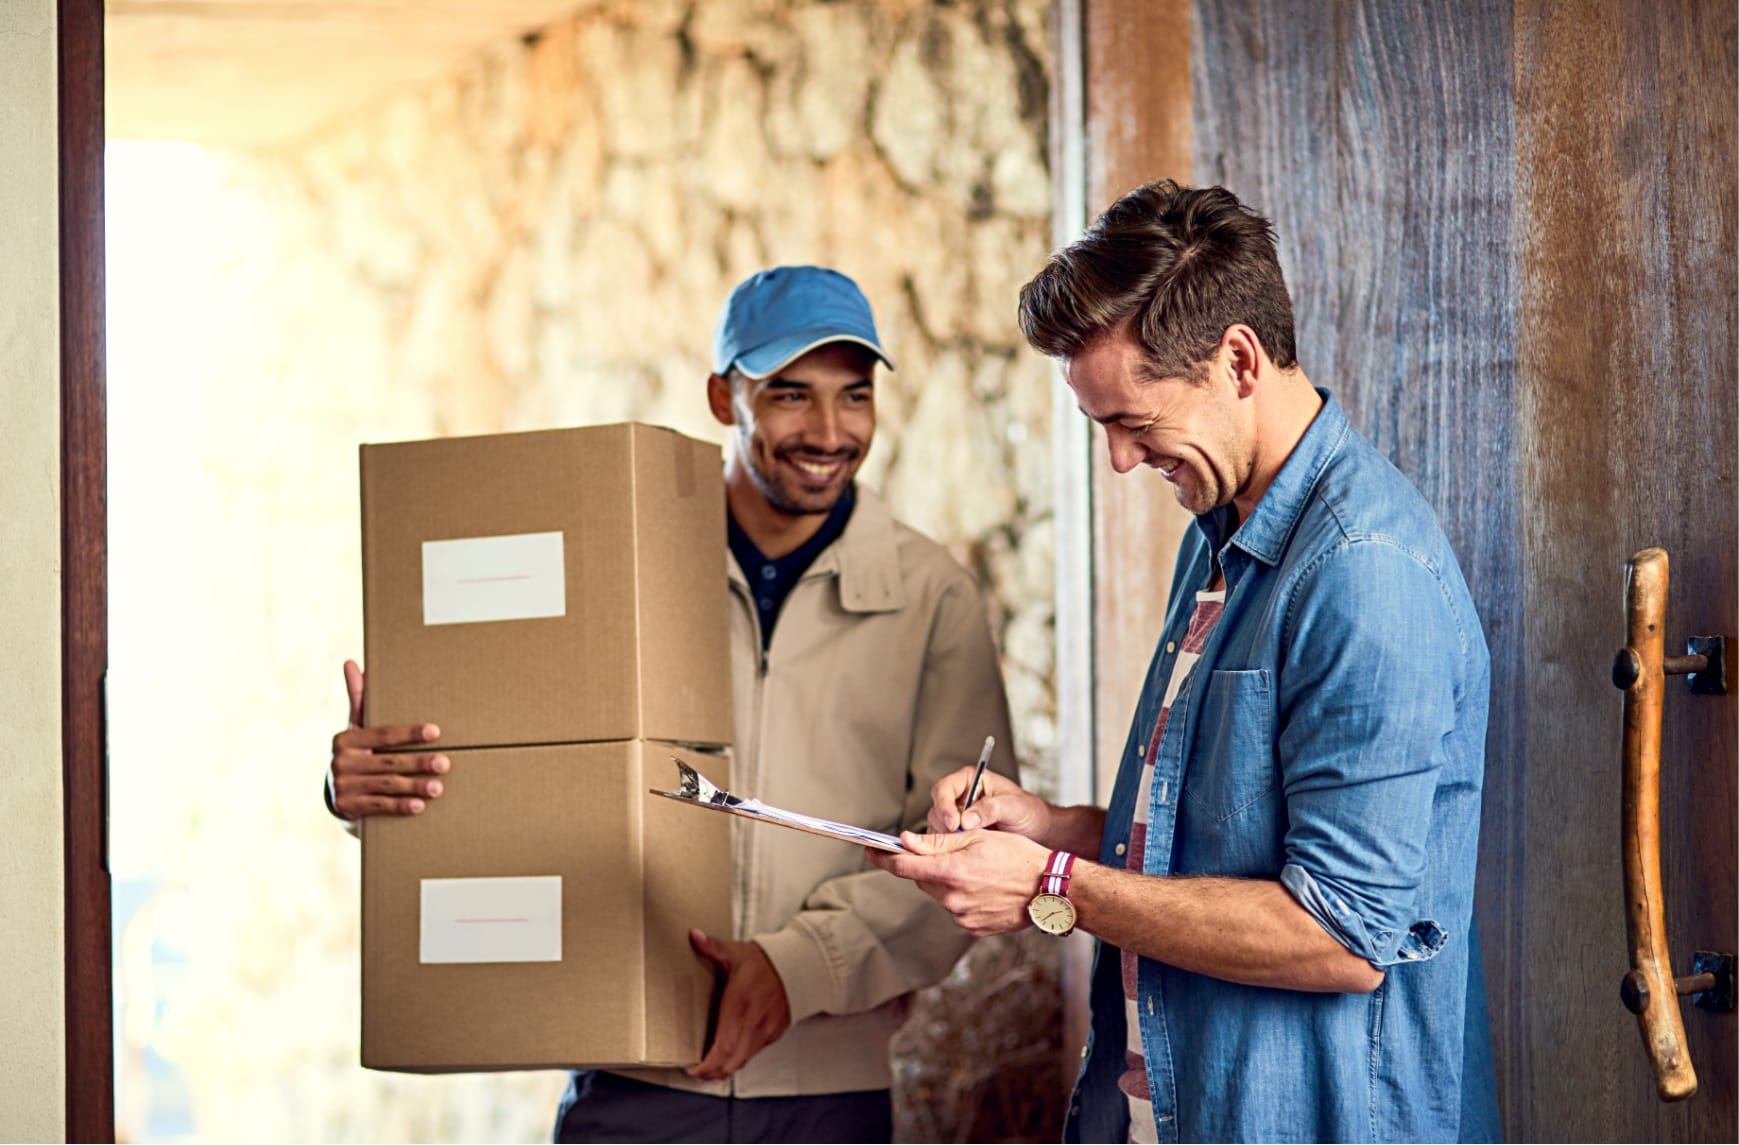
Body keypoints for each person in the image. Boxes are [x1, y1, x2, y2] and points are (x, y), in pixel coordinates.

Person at [868, 182, 1499, 1143]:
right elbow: (1215, 841)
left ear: (1237, 358)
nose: (1121, 462)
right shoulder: (1214, 530)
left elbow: (1340, 934)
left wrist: (1049, 883)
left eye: (1135, 421)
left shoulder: (1364, 571)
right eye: (1101, 428)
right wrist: (1055, 831)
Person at [326, 265, 1017, 1144]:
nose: (829, 431)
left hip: (827, 1097)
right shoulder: (617, 570)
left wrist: (798, 965)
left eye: (855, 395)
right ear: (723, 396)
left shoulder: (930, 598)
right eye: (789, 395)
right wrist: (369, 792)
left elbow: (965, 852)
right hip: (631, 1083)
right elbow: (514, 763)